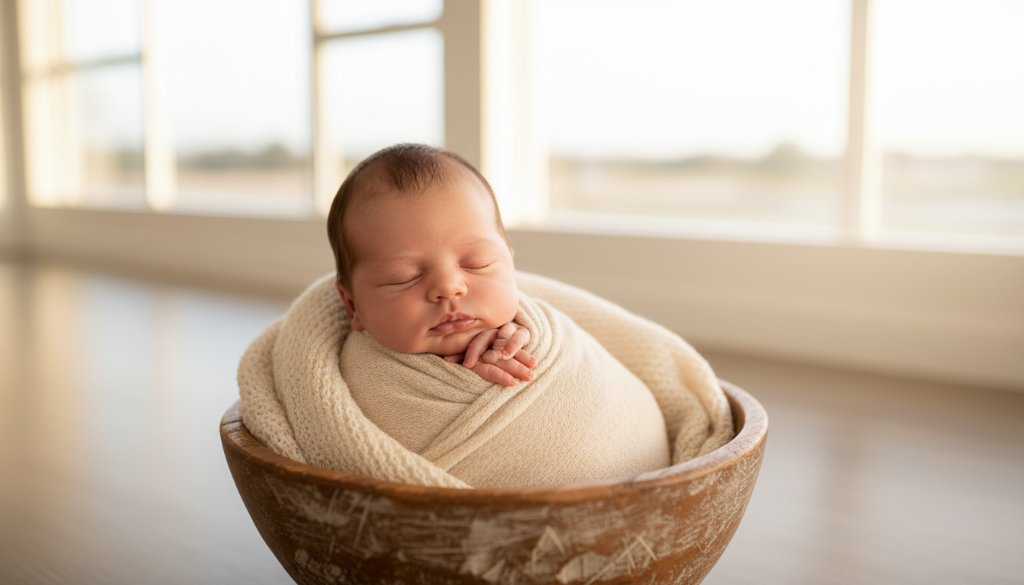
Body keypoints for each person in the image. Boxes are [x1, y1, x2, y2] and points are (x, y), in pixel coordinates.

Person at [327, 143, 537, 387]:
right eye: (404, 277)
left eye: (477, 263)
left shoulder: (528, 333)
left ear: (509, 263)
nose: (448, 288)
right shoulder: (355, 379)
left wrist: (522, 338)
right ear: (352, 305)